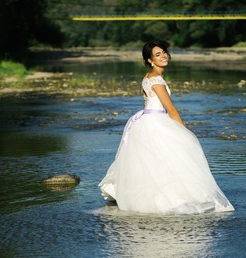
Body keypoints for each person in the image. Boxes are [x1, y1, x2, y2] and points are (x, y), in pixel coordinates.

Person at [99, 39, 234, 214]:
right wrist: (185, 132)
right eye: (157, 54)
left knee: (152, 164)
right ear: (150, 60)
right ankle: (168, 199)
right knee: (170, 160)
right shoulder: (156, 80)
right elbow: (170, 109)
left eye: (163, 52)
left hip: (146, 122)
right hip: (156, 123)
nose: (163, 56)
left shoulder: (149, 77)